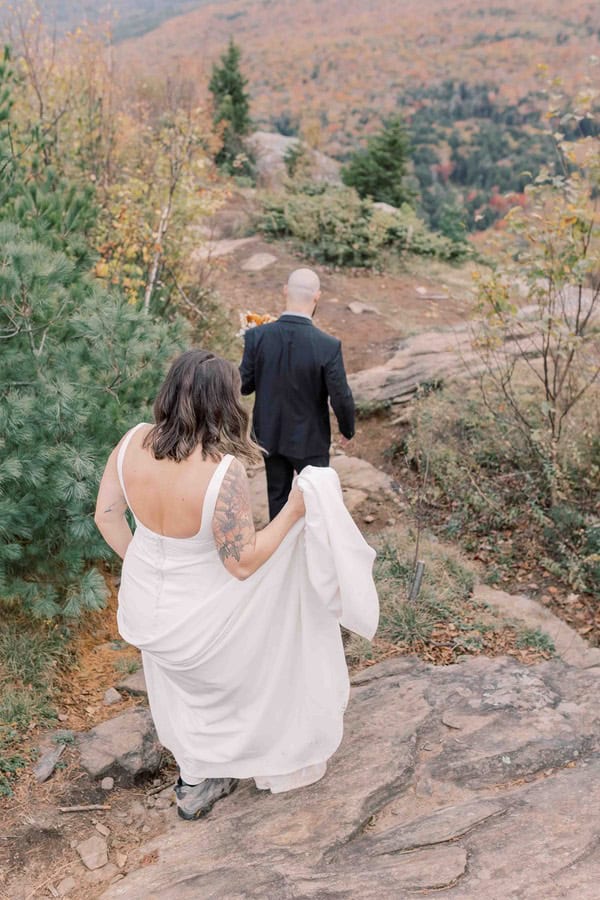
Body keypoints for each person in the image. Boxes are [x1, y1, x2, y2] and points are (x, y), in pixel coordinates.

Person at [95, 349, 378, 821]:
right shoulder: (220, 472)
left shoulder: (131, 443)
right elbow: (243, 565)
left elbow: (106, 515)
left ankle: (195, 775)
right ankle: (232, 757)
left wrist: (146, 565)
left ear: (170, 391)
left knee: (184, 688)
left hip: (145, 608)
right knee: (273, 631)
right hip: (201, 619)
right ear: (224, 403)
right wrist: (294, 510)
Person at [240, 267, 355, 519]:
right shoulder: (328, 346)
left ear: (285, 291)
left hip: (270, 435)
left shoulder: (256, 336)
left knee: (278, 505)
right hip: (311, 440)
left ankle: (281, 555)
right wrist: (347, 430)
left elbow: (244, 386)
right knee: (315, 505)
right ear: (317, 297)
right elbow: (340, 396)